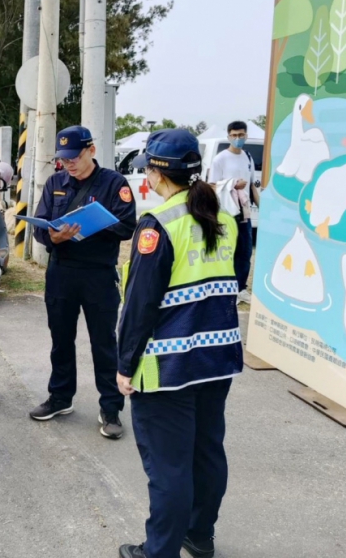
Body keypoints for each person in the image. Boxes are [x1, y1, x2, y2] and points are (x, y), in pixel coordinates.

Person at [116, 129, 243, 558]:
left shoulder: (159, 225)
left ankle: (160, 551)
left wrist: (125, 365)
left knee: (169, 466)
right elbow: (238, 275)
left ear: (157, 174)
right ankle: (199, 535)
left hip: (168, 365)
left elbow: (140, 305)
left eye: (148, 171)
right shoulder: (224, 218)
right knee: (206, 452)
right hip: (218, 358)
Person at [29, 125, 136, 439]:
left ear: (91, 150)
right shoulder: (55, 182)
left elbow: (127, 225)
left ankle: (111, 408)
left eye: (74, 157)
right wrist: (53, 236)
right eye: (63, 159)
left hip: (98, 274)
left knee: (104, 344)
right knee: (61, 340)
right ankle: (60, 397)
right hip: (61, 272)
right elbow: (39, 226)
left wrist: (93, 226)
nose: (68, 164)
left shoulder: (114, 183)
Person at [208, 120, 260, 305]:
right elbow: (211, 185)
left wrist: (261, 208)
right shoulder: (220, 159)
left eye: (241, 135)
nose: (238, 138)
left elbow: (252, 185)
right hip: (226, 212)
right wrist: (232, 184)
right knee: (228, 251)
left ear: (246, 135)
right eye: (234, 135)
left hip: (243, 212)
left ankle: (241, 288)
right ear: (229, 136)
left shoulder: (247, 157)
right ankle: (227, 289)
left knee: (245, 251)